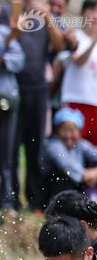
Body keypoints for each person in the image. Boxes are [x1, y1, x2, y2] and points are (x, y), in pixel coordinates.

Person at [14, 0, 67, 213]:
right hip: (14, 88)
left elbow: (61, 45)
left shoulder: (49, 19)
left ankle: (35, 200)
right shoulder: (13, 13)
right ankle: (10, 199)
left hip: (39, 90)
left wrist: (47, 17)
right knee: (10, 150)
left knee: (36, 148)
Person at [59, 0, 97, 155]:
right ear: (83, 13)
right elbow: (79, 61)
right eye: (92, 10)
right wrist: (96, 39)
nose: (96, 16)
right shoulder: (74, 36)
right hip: (76, 101)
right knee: (72, 152)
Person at [42, 107, 97, 208]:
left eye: (72, 130)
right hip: (54, 192)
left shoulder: (81, 144)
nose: (68, 135)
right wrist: (85, 175)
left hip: (79, 185)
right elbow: (66, 164)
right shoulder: (53, 145)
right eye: (64, 129)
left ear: (79, 131)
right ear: (57, 130)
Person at [0, 16, 26, 215]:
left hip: (5, 99)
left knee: (6, 153)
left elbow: (19, 60)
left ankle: (7, 201)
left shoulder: (5, 33)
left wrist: (3, 59)